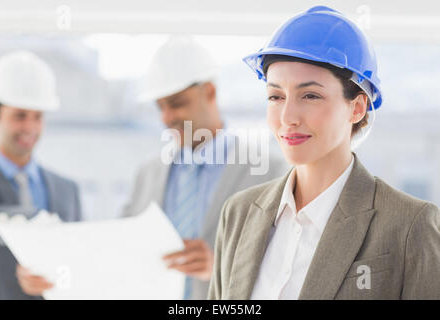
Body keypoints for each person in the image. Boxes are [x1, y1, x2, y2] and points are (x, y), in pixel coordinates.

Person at [208, 6, 440, 300]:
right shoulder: (239, 213)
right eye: (276, 96)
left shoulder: (409, 225)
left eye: (310, 96)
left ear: (357, 108)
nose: (288, 117)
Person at [123, 36, 286, 300]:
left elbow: (290, 265)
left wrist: (221, 268)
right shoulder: (147, 175)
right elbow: (123, 251)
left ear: (209, 92)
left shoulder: (269, 171)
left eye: (176, 104)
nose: (167, 118)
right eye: (160, 107)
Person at [0, 51, 82, 299]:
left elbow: (78, 258)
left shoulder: (67, 190)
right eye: (20, 115)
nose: (30, 127)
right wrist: (39, 223)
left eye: (38, 117)